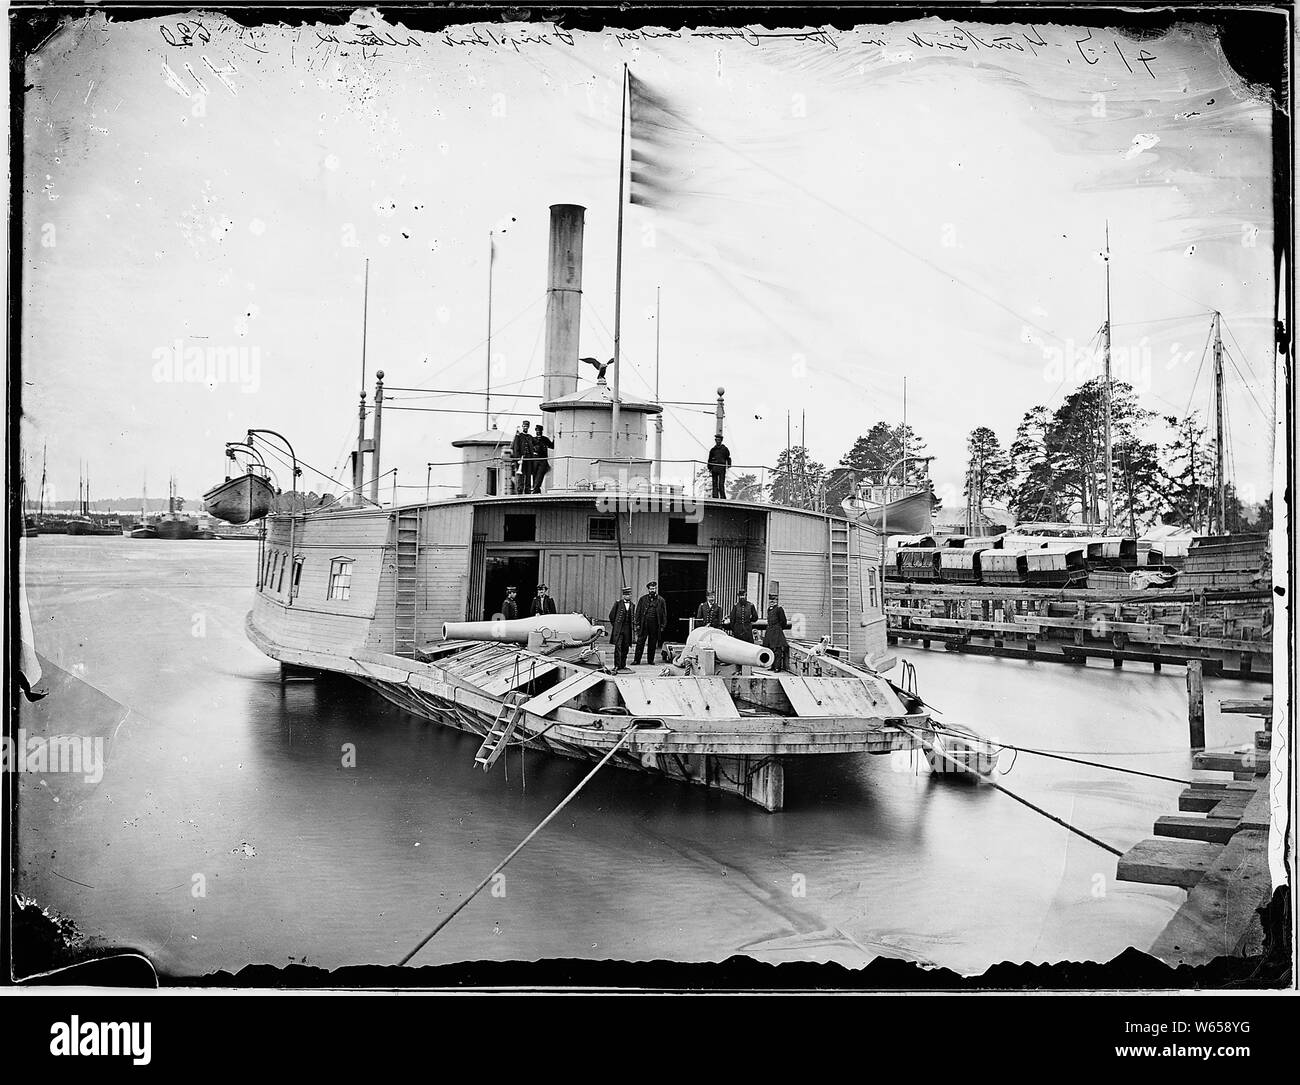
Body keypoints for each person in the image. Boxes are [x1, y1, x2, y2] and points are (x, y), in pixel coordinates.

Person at [633, 580, 668, 665]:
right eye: (651, 588)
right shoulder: (643, 599)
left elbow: (664, 614)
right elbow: (638, 612)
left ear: (656, 589)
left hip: (655, 625)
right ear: (648, 589)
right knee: (640, 642)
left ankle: (650, 660)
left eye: (654, 588)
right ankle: (636, 660)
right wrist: (637, 623)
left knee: (652, 643)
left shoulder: (661, 600)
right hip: (643, 624)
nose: (652, 590)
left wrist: (663, 625)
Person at [608, 586, 635, 671]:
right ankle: (617, 665)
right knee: (618, 647)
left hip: (628, 629)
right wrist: (616, 625)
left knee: (625, 647)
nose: (628, 596)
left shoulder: (632, 605)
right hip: (619, 629)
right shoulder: (618, 603)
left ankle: (623, 665)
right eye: (626, 595)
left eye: (629, 594)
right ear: (623, 595)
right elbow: (611, 616)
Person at [763, 589, 791, 672]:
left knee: (777, 650)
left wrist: (778, 628)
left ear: (776, 601)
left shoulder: (779, 609)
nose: (772, 602)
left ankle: (777, 667)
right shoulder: (769, 609)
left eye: (773, 600)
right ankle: (772, 665)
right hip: (770, 631)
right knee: (770, 649)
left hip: (777, 631)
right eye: (770, 600)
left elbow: (783, 621)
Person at [530, 424, 554, 493]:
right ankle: (536, 490)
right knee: (535, 476)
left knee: (540, 476)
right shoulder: (533, 439)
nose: (538, 432)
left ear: (541, 431)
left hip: (543, 461)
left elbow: (552, 446)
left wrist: (555, 439)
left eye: (539, 431)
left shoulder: (545, 439)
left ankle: (536, 489)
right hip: (535, 461)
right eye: (537, 430)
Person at [707, 434, 731, 499]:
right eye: (717, 440)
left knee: (721, 483)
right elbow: (709, 459)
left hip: (721, 468)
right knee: (714, 483)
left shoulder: (724, 449)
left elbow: (728, 457)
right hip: (714, 467)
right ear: (715, 440)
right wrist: (709, 467)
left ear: (721, 441)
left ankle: (722, 497)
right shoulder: (713, 450)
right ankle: (715, 496)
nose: (718, 441)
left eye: (719, 440)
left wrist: (729, 465)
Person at [511, 421, 532, 494]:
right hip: (521, 459)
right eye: (524, 426)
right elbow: (515, 447)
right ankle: (520, 490)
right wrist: (518, 458)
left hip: (528, 459)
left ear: (528, 427)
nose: (525, 427)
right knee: (520, 476)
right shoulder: (519, 436)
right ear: (522, 426)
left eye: (527, 426)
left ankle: (527, 490)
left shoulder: (529, 437)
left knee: (528, 475)